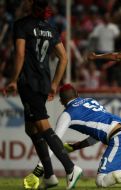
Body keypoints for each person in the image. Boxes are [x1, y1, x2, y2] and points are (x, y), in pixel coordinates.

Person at [2, 0, 82, 189]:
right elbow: (64, 57)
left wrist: (13, 79)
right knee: (31, 129)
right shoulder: (50, 29)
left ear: (32, 6)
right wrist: (54, 84)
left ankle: (70, 168)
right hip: (44, 82)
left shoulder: (22, 25)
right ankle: (49, 176)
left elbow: (20, 54)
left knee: (42, 125)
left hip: (29, 82)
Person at [27, 83, 121, 188]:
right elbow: (99, 132)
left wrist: (40, 168)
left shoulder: (67, 114)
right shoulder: (91, 101)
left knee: (101, 181)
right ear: (77, 94)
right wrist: (77, 146)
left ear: (62, 101)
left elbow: (54, 141)